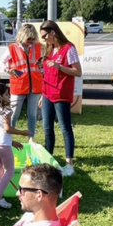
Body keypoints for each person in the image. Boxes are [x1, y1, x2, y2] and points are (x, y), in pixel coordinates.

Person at [39, 21, 81, 176]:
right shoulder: (49, 49)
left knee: (65, 127)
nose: (44, 40)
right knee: (47, 128)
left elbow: (77, 72)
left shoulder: (69, 49)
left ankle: (69, 164)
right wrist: (43, 95)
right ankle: (48, 160)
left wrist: (60, 67)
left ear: (53, 32)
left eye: (45, 36)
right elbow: (46, 75)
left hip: (61, 94)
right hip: (48, 93)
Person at [0, 82, 30, 209]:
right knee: (10, 170)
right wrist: (23, 133)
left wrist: (12, 142)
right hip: (2, 145)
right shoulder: (6, 110)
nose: (9, 95)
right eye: (6, 94)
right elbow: (7, 129)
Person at [2, 23, 43, 142]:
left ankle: (31, 139)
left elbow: (41, 64)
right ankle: (9, 138)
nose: (31, 41)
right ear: (22, 36)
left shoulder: (38, 47)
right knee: (14, 113)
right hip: (18, 85)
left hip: (35, 85)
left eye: (33, 38)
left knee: (32, 114)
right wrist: (8, 70)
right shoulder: (12, 48)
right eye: (29, 38)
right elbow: (2, 62)